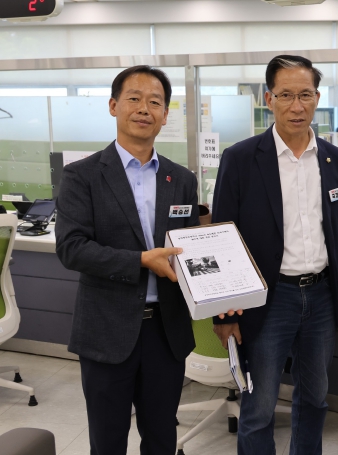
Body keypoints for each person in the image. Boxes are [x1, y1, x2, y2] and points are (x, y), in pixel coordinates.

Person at [55, 66, 240, 455]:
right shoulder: (81, 176)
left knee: (161, 438)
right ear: (113, 106)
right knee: (108, 441)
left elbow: (191, 250)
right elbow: (72, 248)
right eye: (134, 98)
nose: (144, 108)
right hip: (107, 331)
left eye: (155, 102)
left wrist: (224, 293)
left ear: (165, 114)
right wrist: (140, 260)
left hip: (165, 333)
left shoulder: (181, 179)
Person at [211, 55, 338, 455]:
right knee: (259, 407)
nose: (297, 106)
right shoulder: (241, 158)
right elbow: (222, 240)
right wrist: (224, 315)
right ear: (269, 99)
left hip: (322, 296)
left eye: (306, 95)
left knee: (314, 398)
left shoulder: (334, 159)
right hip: (268, 299)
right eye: (286, 95)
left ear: (317, 98)